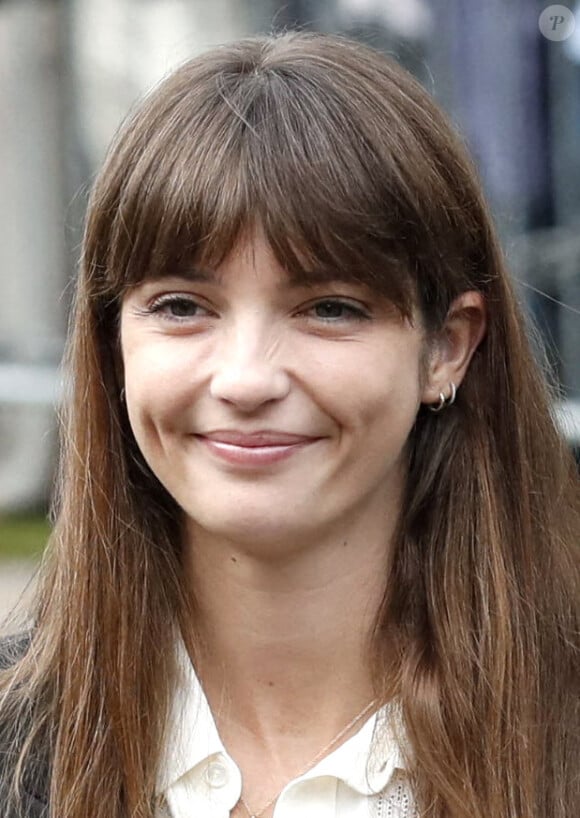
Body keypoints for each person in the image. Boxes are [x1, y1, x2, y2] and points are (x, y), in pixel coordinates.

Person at [1, 30, 578, 818]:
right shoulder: (17, 740)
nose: (245, 378)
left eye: (329, 309)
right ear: (111, 342)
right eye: (182, 307)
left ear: (447, 348)